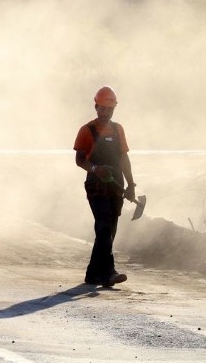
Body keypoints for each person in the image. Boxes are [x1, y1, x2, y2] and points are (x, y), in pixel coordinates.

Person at [73, 86, 137, 287]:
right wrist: (94, 169)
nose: (106, 113)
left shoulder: (118, 129)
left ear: (114, 110)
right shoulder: (87, 130)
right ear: (96, 107)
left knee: (110, 229)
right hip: (96, 186)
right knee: (104, 226)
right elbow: (79, 159)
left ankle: (93, 274)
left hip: (115, 185)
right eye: (103, 108)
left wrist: (130, 185)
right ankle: (109, 272)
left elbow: (123, 158)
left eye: (110, 109)